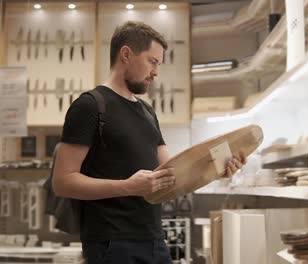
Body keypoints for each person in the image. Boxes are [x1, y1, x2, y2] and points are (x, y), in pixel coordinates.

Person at [53, 21, 245, 264]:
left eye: (158, 64)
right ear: (126, 54)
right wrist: (128, 187)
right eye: (152, 61)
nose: (156, 72)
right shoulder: (90, 106)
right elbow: (63, 182)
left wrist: (216, 171)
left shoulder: (147, 112)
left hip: (154, 240)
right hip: (110, 244)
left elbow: (173, 176)